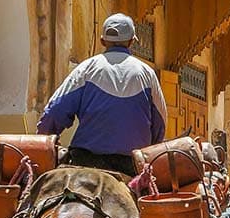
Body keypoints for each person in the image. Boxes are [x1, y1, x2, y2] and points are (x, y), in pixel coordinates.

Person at [37, 13, 167, 176]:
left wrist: (44, 142)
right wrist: (147, 150)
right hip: (132, 166)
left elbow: (55, 111)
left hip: (86, 161)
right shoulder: (147, 74)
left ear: (102, 41)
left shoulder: (86, 69)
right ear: (131, 42)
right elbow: (160, 124)